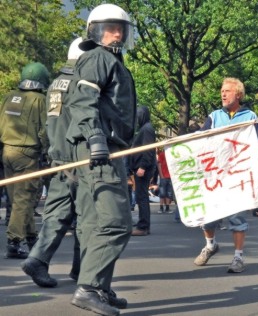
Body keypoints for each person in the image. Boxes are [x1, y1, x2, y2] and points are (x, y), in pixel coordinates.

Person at [66, 4, 136, 315]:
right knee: (117, 222)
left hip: (105, 146)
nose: (118, 32)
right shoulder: (98, 57)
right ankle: (90, 287)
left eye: (121, 27)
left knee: (96, 223)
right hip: (100, 148)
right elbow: (83, 101)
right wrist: (96, 139)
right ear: (95, 29)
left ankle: (99, 287)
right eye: (110, 27)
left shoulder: (110, 60)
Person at [20, 38, 85, 288]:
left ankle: (38, 258)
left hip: (58, 156)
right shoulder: (82, 83)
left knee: (57, 214)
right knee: (87, 214)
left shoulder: (55, 84)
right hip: (78, 156)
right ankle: (82, 268)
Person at [193, 77, 258, 273]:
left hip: (238, 176)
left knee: (237, 218)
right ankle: (210, 245)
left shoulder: (251, 117)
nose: (223, 94)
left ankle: (238, 257)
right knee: (207, 216)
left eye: (227, 91)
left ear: (238, 94)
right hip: (215, 176)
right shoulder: (214, 117)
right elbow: (199, 140)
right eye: (222, 90)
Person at [0, 62, 50, 259]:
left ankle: (30, 237)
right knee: (24, 198)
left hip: (7, 152)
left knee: (17, 197)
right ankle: (14, 241)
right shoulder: (39, 100)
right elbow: (45, 130)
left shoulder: (8, 97)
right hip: (27, 154)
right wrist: (47, 152)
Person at [130, 106, 156, 236]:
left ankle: (143, 226)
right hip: (142, 167)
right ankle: (143, 225)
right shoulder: (146, 128)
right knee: (142, 197)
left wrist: (143, 167)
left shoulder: (146, 129)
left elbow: (148, 150)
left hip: (143, 168)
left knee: (142, 197)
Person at [156, 147, 174, 214]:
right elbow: (159, 165)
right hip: (164, 176)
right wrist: (161, 175)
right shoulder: (162, 154)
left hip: (169, 176)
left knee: (168, 193)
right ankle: (161, 208)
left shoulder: (171, 155)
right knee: (163, 193)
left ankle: (166, 208)